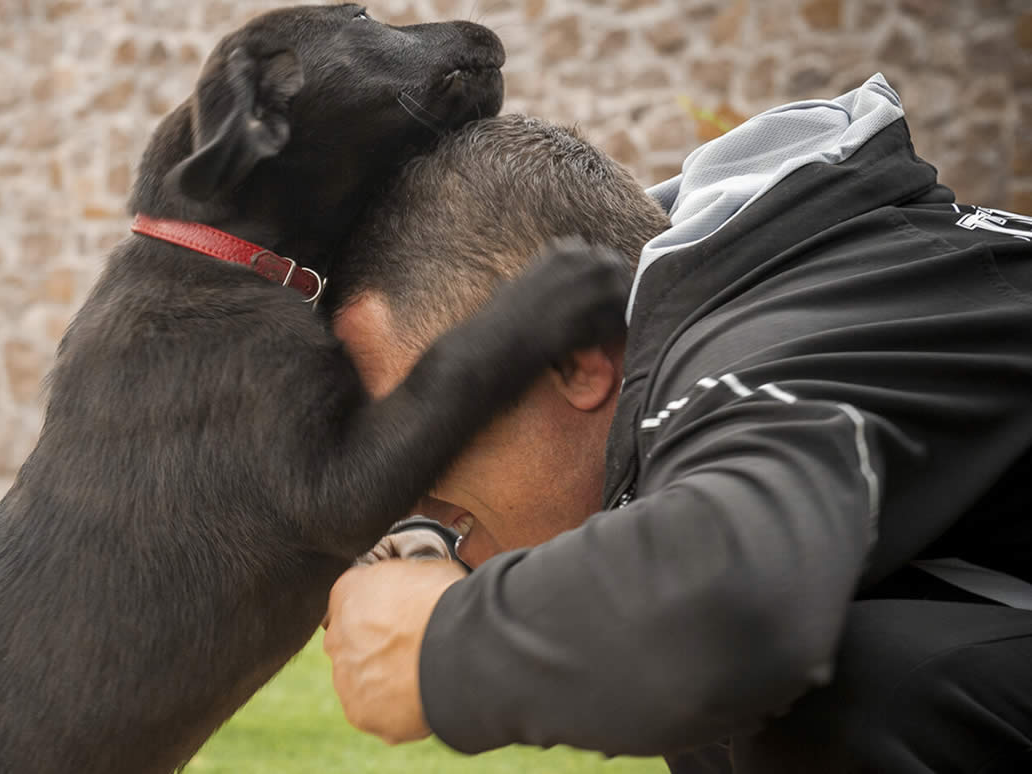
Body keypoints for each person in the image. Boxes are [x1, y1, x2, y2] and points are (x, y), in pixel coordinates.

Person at [321, 75, 1032, 773]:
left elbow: (736, 608)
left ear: (573, 358)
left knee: (832, 688)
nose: (405, 488)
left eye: (424, 427)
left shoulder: (781, 334)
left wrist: (443, 646)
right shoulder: (733, 308)